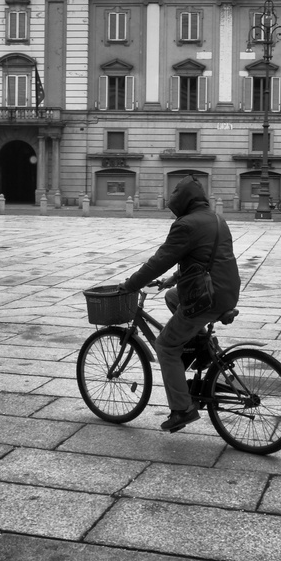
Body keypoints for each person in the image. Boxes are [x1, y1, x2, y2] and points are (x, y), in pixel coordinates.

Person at [119, 175, 241, 433]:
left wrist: (131, 284)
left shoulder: (186, 225)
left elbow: (160, 259)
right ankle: (204, 348)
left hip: (207, 297)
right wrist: (172, 279)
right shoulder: (217, 218)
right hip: (227, 290)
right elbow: (206, 258)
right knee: (172, 296)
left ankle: (182, 410)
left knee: (166, 345)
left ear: (183, 202)